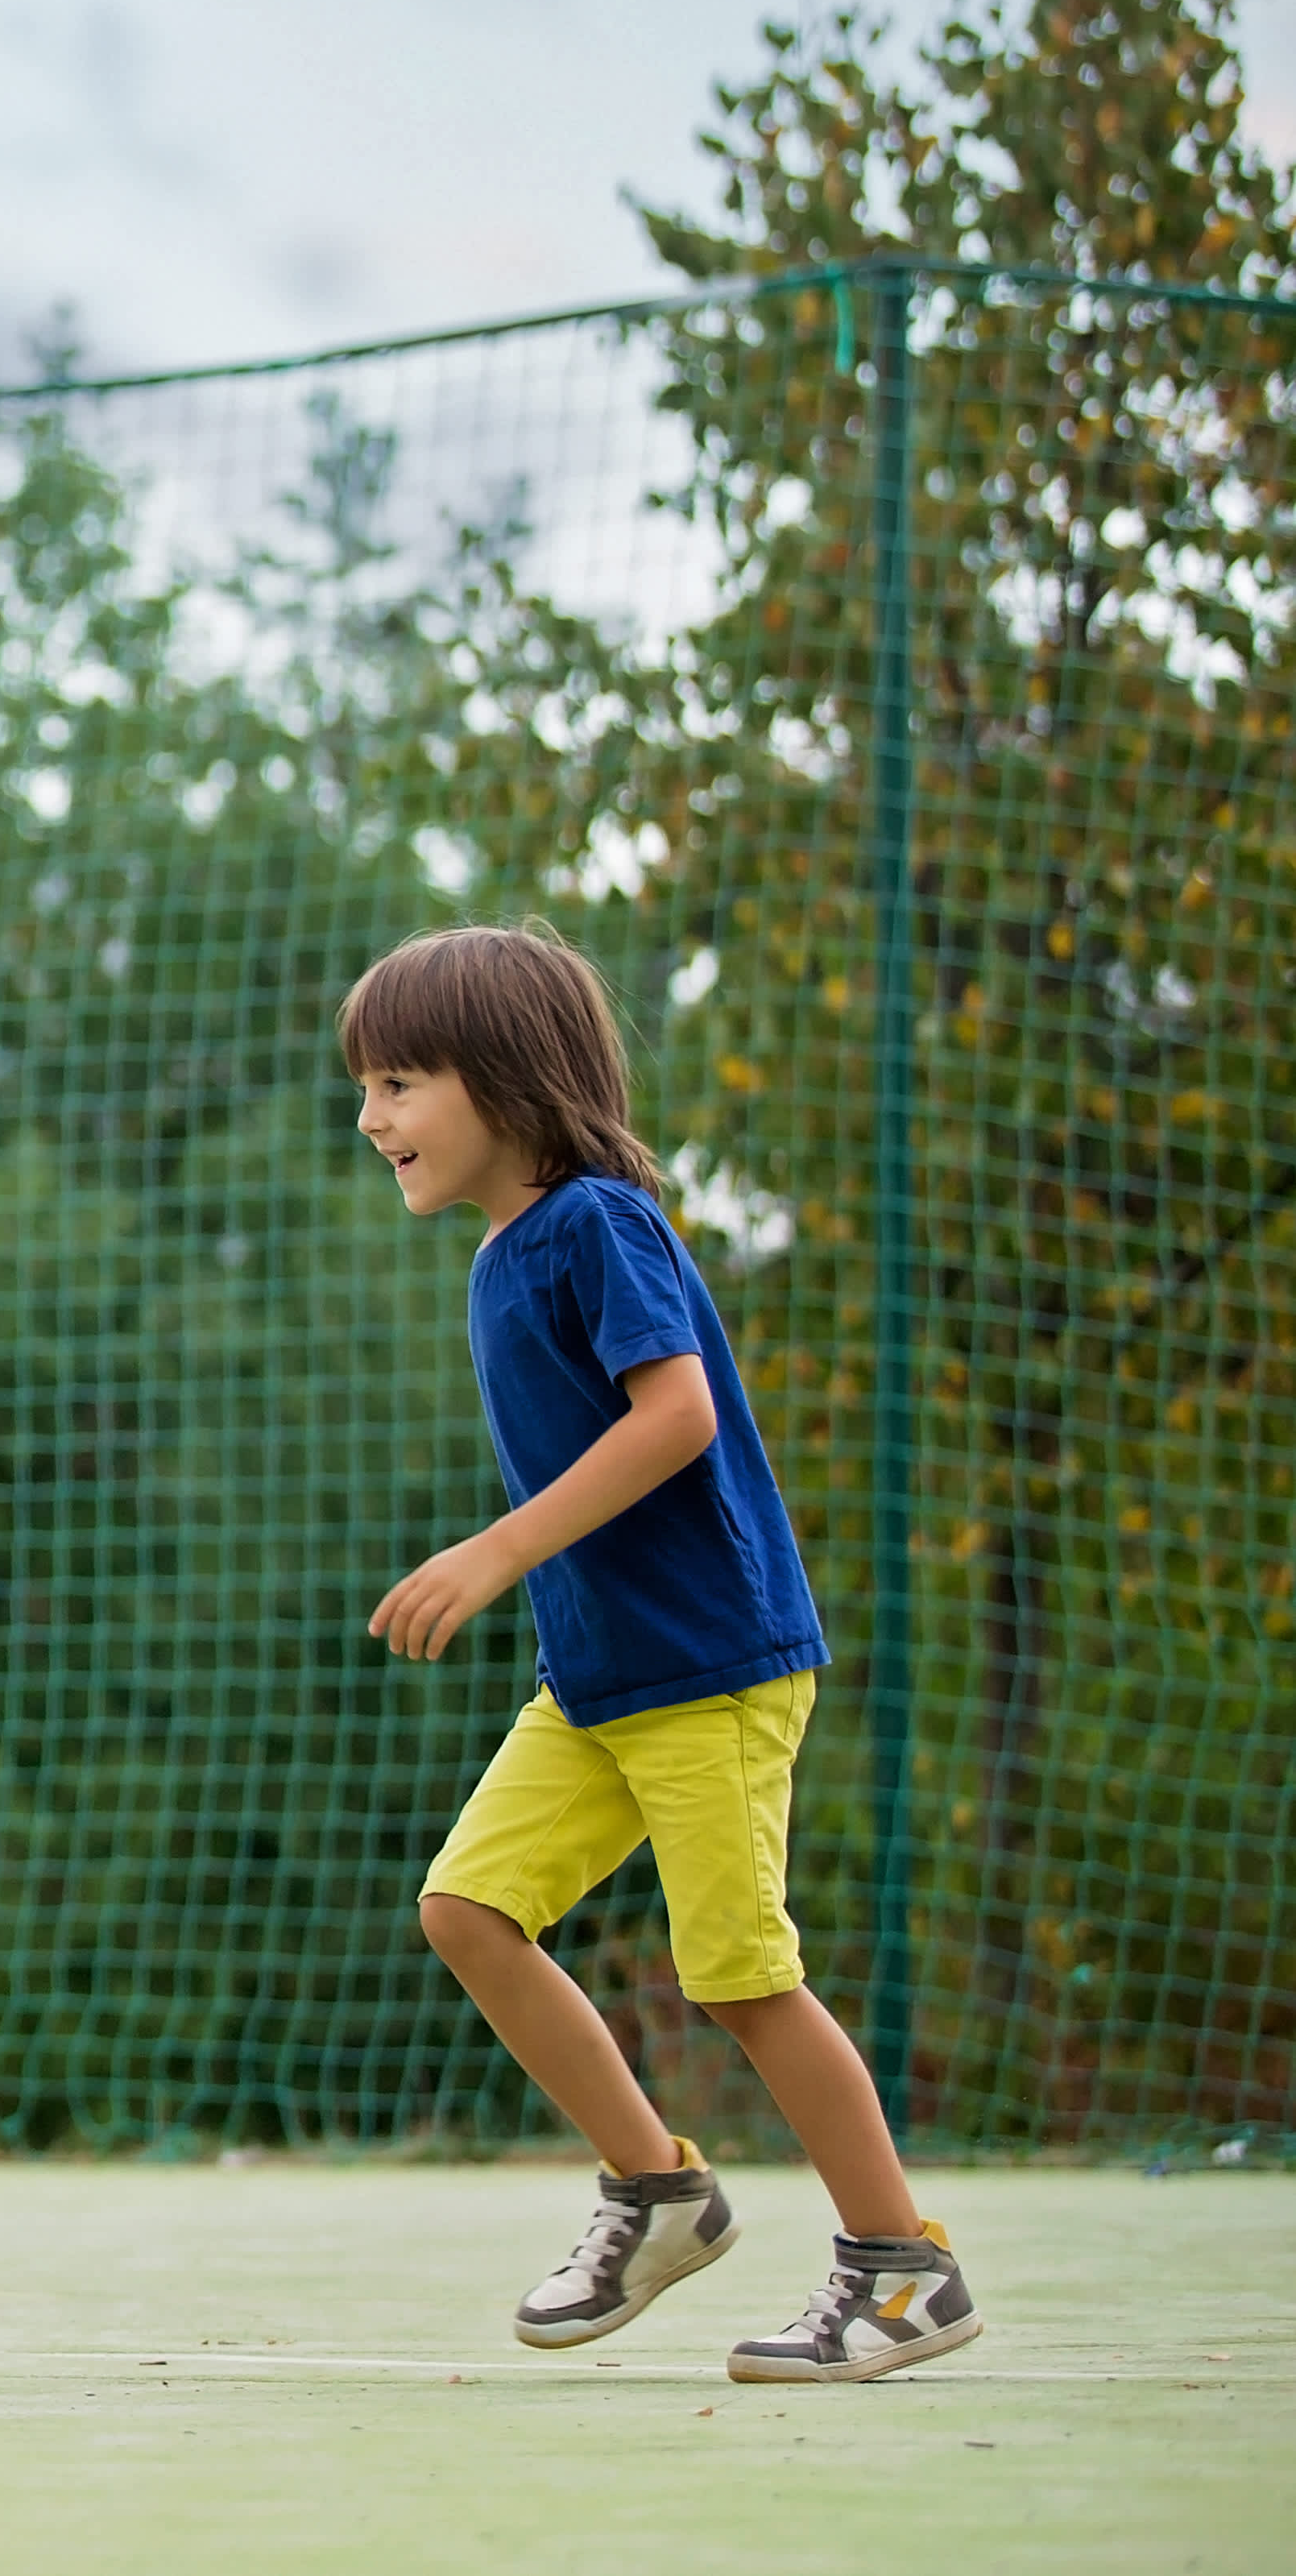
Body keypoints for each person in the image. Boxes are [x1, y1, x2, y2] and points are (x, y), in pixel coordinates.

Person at [346, 920, 984, 2383]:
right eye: (367, 1087)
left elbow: (678, 1415)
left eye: (399, 1081)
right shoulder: (502, 1257)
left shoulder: (597, 1224)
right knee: (468, 1911)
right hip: (600, 1681)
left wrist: (499, 1548)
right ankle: (660, 2193)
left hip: (713, 1666)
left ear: (501, 1080)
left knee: (739, 1974)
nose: (372, 1117)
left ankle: (904, 2271)